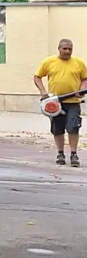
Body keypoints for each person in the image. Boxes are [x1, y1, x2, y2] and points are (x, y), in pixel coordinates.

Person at [35, 38, 86, 167]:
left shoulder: (79, 63)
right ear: (59, 49)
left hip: (73, 102)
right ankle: (60, 153)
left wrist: (81, 90)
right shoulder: (49, 62)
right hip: (55, 103)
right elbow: (37, 77)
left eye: (70, 49)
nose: (67, 51)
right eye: (65, 49)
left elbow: (85, 79)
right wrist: (43, 92)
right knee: (57, 129)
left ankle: (74, 154)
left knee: (73, 127)